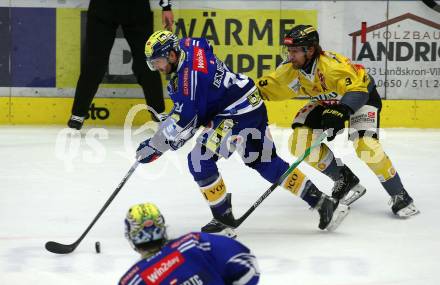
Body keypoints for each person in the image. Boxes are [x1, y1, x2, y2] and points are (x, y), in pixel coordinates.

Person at [135, 30, 350, 236]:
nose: (157, 68)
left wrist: (156, 146)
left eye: (159, 62)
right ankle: (323, 203)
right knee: (265, 162)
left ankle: (223, 219)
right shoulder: (188, 45)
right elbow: (205, 45)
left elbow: (186, 123)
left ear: (172, 55)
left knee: (200, 160)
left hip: (235, 113)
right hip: (250, 102)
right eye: (152, 63)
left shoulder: (189, 80)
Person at [256, 24, 419, 217]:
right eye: (289, 51)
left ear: (310, 50)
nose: (290, 56)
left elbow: (358, 89)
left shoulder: (331, 66)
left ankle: (399, 194)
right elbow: (264, 88)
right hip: (326, 103)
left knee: (366, 146)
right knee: (300, 143)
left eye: (295, 51)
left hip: (360, 97)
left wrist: (342, 110)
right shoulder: (290, 69)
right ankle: (344, 178)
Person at [67, 0, 174, 130]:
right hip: (102, 7)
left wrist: (166, 6)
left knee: (146, 61)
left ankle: (158, 111)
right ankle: (78, 114)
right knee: (94, 62)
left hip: (136, 8)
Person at [119, 202, 260, 285]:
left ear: (130, 236)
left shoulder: (132, 280)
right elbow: (246, 263)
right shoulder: (193, 244)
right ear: (162, 227)